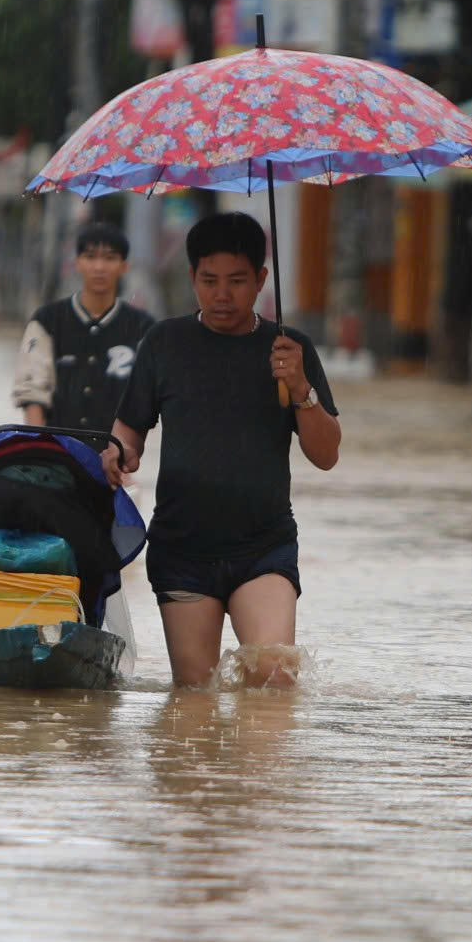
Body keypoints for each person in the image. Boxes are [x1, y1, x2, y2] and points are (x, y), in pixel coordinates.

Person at [110, 212, 340, 688]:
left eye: (237, 281)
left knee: (276, 680)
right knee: (195, 698)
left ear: (260, 279)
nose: (222, 294)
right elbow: (129, 431)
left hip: (264, 546)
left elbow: (326, 454)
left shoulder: (290, 349)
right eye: (209, 280)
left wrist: (300, 388)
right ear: (191, 276)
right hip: (183, 548)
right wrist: (118, 455)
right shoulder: (164, 344)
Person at [13, 221, 155, 433]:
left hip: (116, 454)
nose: (99, 267)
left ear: (125, 266)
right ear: (77, 263)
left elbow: (147, 399)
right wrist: (35, 445)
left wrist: (125, 449)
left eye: (110, 258)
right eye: (90, 257)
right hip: (56, 452)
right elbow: (33, 391)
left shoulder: (143, 327)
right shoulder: (48, 321)